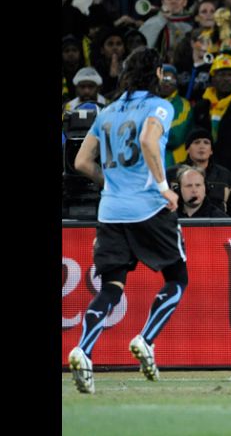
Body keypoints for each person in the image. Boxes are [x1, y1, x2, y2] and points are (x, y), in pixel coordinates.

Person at [67, 47, 190, 394]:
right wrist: (164, 188)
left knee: (111, 287)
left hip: (111, 211)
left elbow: (80, 162)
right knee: (177, 278)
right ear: (154, 76)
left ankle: (83, 350)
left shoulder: (106, 113)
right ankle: (146, 339)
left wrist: (114, 184)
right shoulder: (159, 106)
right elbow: (149, 141)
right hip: (148, 207)